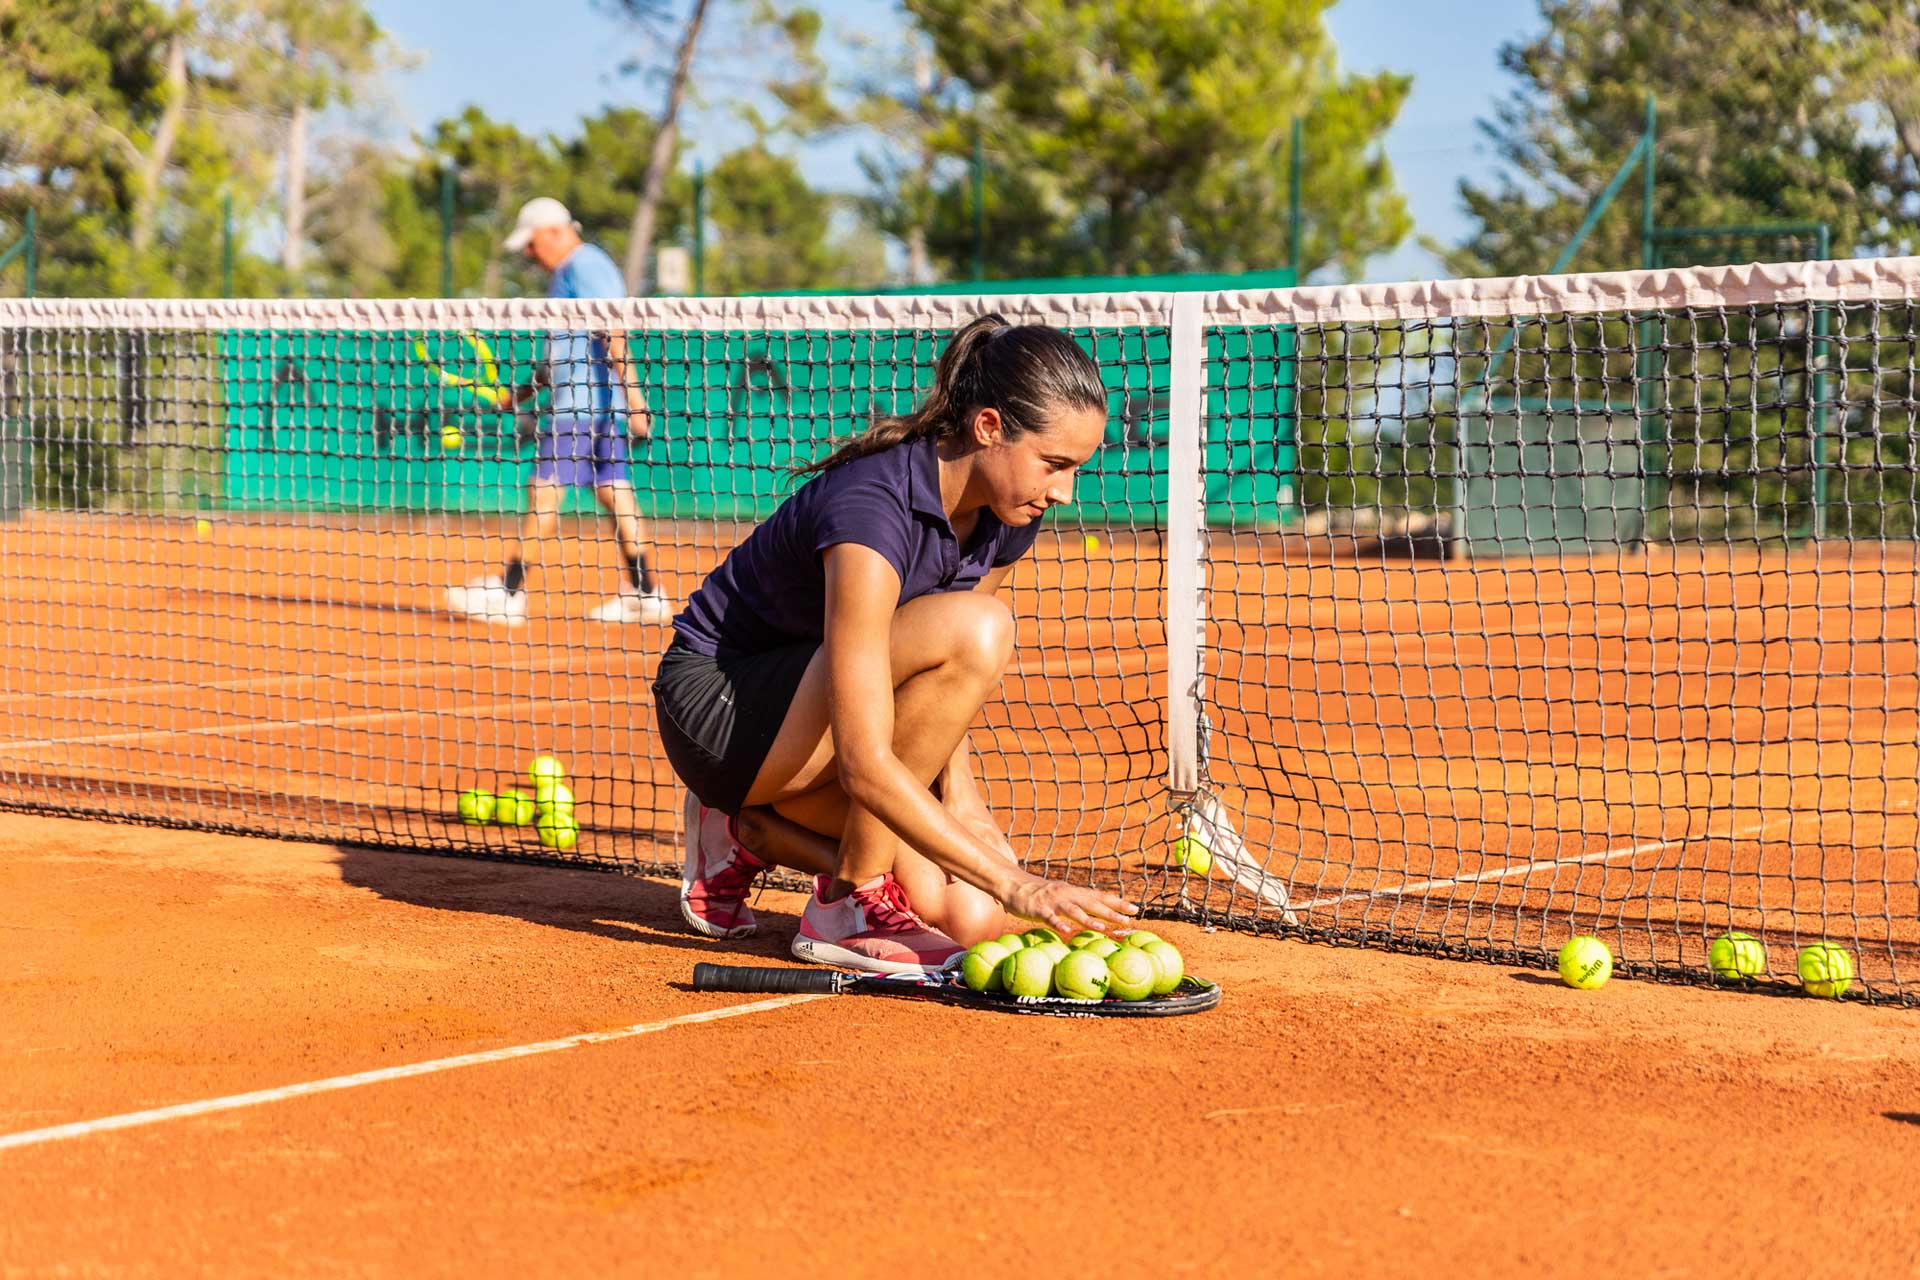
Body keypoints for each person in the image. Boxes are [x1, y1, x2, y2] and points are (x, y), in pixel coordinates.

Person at [652, 313, 1138, 974]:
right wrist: (1018, 883)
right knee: (983, 630)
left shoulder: (1008, 512)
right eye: (1055, 464)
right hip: (725, 711)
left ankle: (750, 830)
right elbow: (864, 758)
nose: (1064, 491)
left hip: (818, 709)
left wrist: (964, 804)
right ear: (988, 427)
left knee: (967, 914)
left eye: (1077, 468)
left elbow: (941, 676)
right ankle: (844, 903)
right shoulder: (871, 511)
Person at [447, 196, 671, 626]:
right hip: (597, 407)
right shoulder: (571, 273)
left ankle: (510, 592)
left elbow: (614, 331)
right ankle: (646, 592)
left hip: (582, 409)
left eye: (532, 244)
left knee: (543, 490)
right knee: (614, 492)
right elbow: (559, 360)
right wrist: (518, 397)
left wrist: (636, 400)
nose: (530, 254)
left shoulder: (585, 265)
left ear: (553, 231)